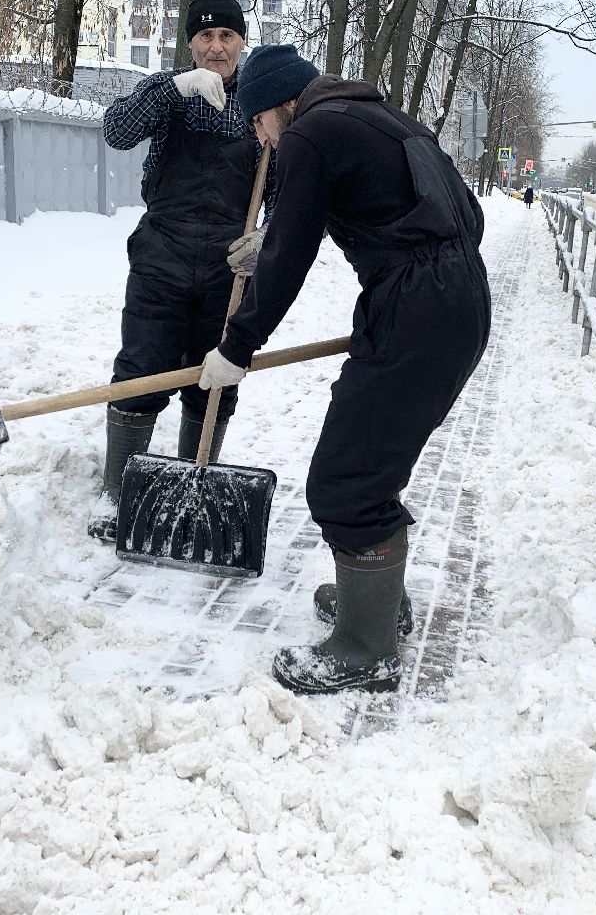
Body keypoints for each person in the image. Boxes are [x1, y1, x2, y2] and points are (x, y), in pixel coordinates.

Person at [198, 45, 492, 695]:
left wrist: (236, 347)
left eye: (258, 121)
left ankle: (367, 648)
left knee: (346, 481)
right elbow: (464, 215)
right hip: (456, 301)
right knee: (367, 465)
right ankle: (376, 605)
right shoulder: (382, 117)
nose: (261, 138)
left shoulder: (310, 133)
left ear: (282, 104)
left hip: (418, 311)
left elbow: (292, 258)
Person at [90, 0, 267, 541]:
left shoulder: (261, 102)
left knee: (214, 379)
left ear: (241, 41)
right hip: (162, 256)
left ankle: (194, 488)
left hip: (227, 267)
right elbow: (117, 131)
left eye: (227, 35)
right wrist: (173, 89)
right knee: (140, 372)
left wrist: (265, 239)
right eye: (205, 35)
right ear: (190, 43)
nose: (216, 47)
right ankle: (120, 496)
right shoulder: (168, 91)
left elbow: (285, 184)